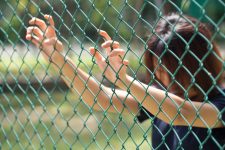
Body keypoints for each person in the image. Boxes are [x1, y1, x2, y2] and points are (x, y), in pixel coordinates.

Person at [26, 13, 225, 149]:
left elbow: (181, 112)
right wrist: (58, 59)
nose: (164, 76)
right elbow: (101, 97)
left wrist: (125, 80)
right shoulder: (160, 97)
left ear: (198, 62)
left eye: (173, 68)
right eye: (159, 68)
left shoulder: (220, 100)